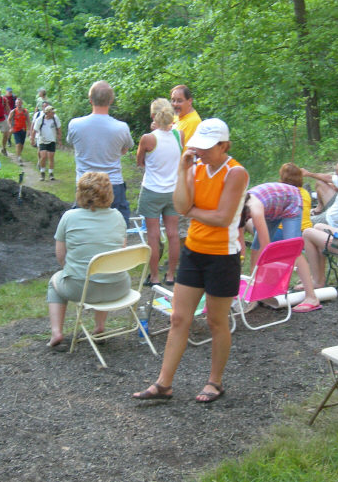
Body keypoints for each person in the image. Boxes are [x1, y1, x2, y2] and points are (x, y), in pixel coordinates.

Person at [133, 118, 248, 404]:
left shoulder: (236, 173)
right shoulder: (194, 166)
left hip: (223, 255)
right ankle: (163, 384)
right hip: (193, 250)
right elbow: (181, 205)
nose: (202, 152)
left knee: (217, 321)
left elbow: (222, 218)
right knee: (178, 317)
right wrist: (183, 168)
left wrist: (192, 210)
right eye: (199, 146)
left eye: (208, 148)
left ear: (224, 145)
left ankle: (215, 382)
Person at [46, 172, 130, 351]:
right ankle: (99, 327)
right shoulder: (118, 217)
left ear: (80, 193)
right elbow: (119, 254)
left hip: (81, 288)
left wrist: (71, 272)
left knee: (54, 283)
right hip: (118, 286)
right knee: (104, 269)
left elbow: (60, 255)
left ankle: (56, 332)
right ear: (109, 193)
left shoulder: (69, 217)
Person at [240, 180, 321, 312]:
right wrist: (239, 267)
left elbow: (266, 247)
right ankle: (255, 294)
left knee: (293, 250)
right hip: (272, 208)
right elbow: (240, 244)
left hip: (290, 200)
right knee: (255, 247)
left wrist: (270, 272)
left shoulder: (255, 209)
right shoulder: (236, 212)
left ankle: (311, 297)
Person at [67, 81, 134, 223]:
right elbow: (124, 149)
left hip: (85, 183)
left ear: (90, 100)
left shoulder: (75, 124)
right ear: (111, 100)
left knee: (84, 227)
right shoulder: (121, 127)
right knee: (116, 228)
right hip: (112, 184)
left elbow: (73, 144)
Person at [135, 98, 183, 286]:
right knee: (173, 234)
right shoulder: (181, 135)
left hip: (152, 190)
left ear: (154, 116)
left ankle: (154, 276)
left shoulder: (148, 138)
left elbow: (140, 162)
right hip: (173, 191)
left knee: (153, 235)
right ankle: (171, 275)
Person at [31, 104, 62, 181]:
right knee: (43, 156)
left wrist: (59, 139)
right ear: (47, 113)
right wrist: (32, 139)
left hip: (52, 140)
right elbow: (34, 130)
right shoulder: (40, 120)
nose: (53, 114)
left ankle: (51, 173)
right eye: (52, 112)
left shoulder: (55, 119)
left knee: (51, 157)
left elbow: (59, 129)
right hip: (42, 140)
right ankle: (42, 172)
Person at [279, 163, 312, 232]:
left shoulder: (281, 193)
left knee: (251, 222)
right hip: (306, 229)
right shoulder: (305, 192)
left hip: (284, 231)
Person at [7, 98, 30, 165]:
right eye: (17, 103)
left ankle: (19, 154)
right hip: (16, 129)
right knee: (18, 144)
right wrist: (11, 127)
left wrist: (29, 130)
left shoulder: (25, 111)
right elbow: (8, 120)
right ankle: (19, 158)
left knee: (22, 145)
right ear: (15, 104)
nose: (19, 104)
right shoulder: (13, 111)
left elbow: (28, 121)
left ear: (22, 103)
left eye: (20, 103)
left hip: (23, 129)